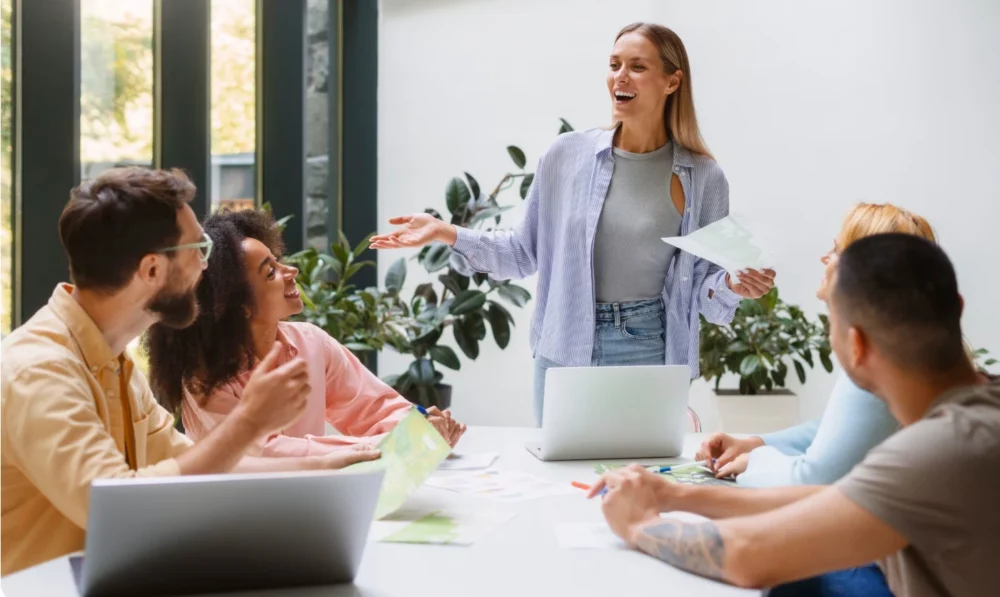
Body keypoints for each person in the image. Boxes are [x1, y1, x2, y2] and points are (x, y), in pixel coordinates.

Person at [370, 22, 776, 423]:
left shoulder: (703, 177)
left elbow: (705, 289)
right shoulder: (566, 156)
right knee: (562, 476)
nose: (620, 75)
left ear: (672, 82)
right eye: (614, 64)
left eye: (637, 66)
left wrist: (732, 284)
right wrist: (448, 233)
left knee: (642, 478)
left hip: (648, 346)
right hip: (563, 342)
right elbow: (522, 253)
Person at [590, 233, 1000, 597]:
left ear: (857, 345)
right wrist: (676, 495)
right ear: (958, 308)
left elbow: (747, 557)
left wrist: (639, 525)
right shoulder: (995, 407)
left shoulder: (941, 450)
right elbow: (838, 499)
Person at [0, 168, 379, 576]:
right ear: (150, 270)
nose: (204, 265)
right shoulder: (39, 372)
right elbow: (113, 504)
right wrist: (249, 423)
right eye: (198, 247)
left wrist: (338, 465)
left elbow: (195, 464)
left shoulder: (116, 365)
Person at [145, 209, 466, 456]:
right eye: (271, 271)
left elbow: (374, 407)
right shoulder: (205, 375)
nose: (291, 271)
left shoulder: (310, 341)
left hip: (315, 498)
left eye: (279, 261)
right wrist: (387, 444)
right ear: (239, 304)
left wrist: (421, 426)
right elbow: (268, 454)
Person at [695, 203, 936, 485]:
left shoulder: (880, 358)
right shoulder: (905, 347)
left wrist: (753, 463)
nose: (825, 258)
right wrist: (755, 444)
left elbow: (814, 478)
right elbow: (836, 431)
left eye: (836, 250)